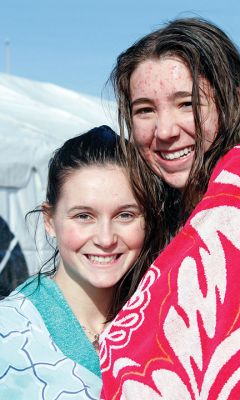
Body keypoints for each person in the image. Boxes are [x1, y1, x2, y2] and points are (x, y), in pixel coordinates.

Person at [99, 18, 240, 399]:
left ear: (234, 101)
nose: (164, 130)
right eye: (144, 110)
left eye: (187, 104)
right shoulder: (160, 210)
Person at [0, 125, 169, 399]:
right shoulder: (8, 332)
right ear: (50, 220)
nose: (105, 238)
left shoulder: (166, 322)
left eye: (125, 215)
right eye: (83, 216)